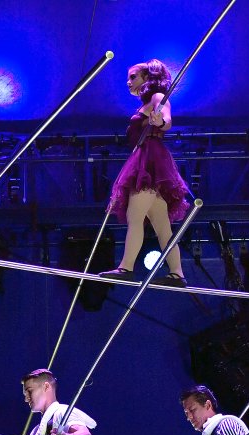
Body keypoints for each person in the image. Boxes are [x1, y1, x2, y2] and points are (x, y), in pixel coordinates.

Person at [99, 59, 191, 288]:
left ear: (147, 78)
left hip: (150, 161)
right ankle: (177, 273)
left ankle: (126, 267)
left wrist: (161, 121)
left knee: (135, 216)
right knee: (161, 225)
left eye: (133, 77)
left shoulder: (158, 98)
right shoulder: (146, 103)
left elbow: (167, 119)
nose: (128, 81)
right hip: (147, 159)